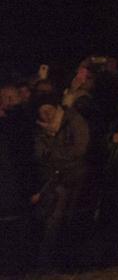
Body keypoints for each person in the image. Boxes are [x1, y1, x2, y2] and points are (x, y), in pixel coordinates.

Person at [30, 100, 89, 268]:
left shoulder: (73, 121)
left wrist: (53, 154)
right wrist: (62, 154)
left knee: (73, 219)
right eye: (43, 111)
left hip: (77, 177)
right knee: (52, 221)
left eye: (49, 109)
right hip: (54, 180)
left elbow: (79, 148)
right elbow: (40, 155)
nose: (47, 114)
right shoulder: (39, 131)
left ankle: (72, 262)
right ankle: (45, 264)